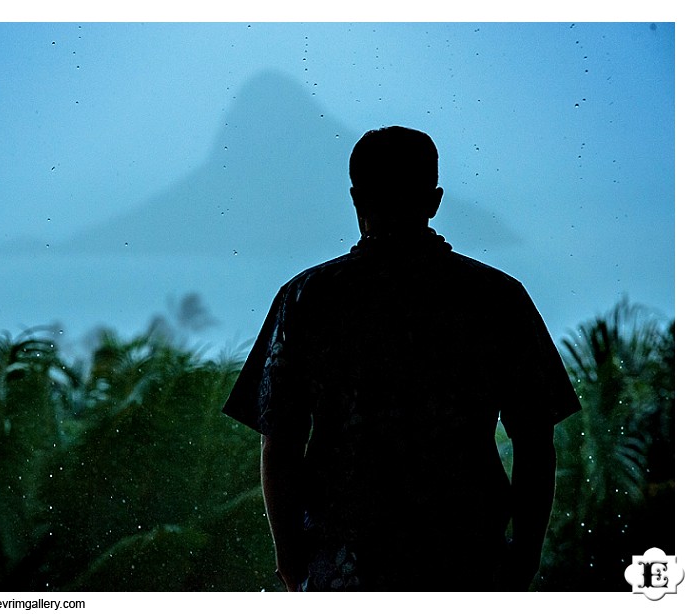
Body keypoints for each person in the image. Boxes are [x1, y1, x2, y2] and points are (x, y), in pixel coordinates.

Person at [222, 126, 581, 591]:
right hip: (465, 563)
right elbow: (535, 444)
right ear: (434, 200)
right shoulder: (495, 297)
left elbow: (281, 446)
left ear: (356, 200)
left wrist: (292, 565)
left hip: (344, 569)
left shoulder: (308, 299)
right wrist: (523, 559)